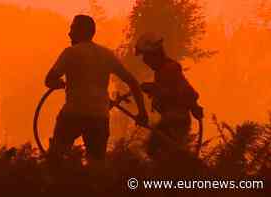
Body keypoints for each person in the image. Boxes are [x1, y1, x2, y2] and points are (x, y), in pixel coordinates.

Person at [45, 15, 148, 163]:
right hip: (99, 116)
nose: (69, 33)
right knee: (96, 165)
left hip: (73, 114)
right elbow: (132, 82)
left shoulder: (70, 53)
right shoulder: (106, 55)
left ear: (83, 31)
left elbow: (49, 80)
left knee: (55, 158)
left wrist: (60, 83)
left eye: (73, 29)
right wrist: (142, 113)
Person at [135, 33, 204, 154]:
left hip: (176, 119)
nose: (145, 61)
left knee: (158, 150)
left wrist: (153, 88)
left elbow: (182, 92)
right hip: (172, 118)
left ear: (154, 54)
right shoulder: (162, 71)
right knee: (164, 151)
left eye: (146, 57)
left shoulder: (169, 68)